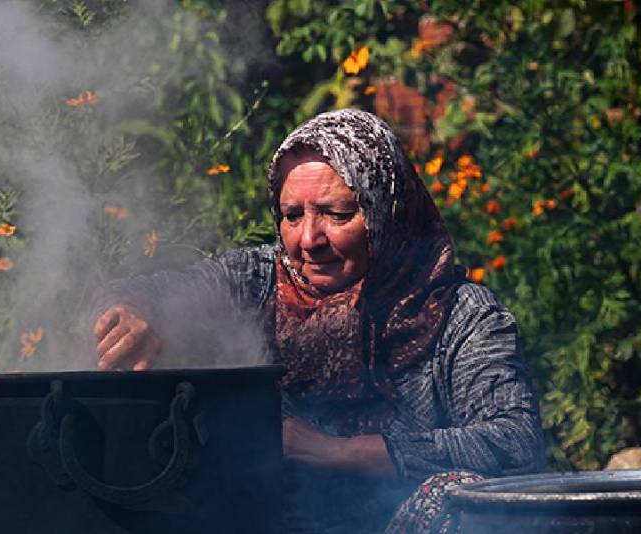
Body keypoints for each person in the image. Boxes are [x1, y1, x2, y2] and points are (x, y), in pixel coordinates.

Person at [90, 109, 544, 533]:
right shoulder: (255, 281)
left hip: (399, 522)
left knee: (450, 496)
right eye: (291, 216)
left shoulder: (458, 313)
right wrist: (133, 311)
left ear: (388, 213)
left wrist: (342, 452)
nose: (308, 240)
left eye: (338, 214)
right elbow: (159, 291)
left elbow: (516, 440)